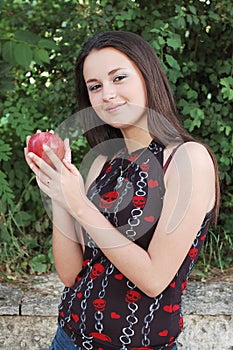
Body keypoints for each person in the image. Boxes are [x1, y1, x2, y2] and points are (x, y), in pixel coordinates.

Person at [25, 31, 220, 350]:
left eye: (119, 78)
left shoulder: (187, 159)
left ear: (147, 77)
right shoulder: (103, 160)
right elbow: (73, 274)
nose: (107, 94)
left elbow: (155, 279)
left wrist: (81, 205)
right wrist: (61, 197)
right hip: (68, 339)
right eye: (95, 86)